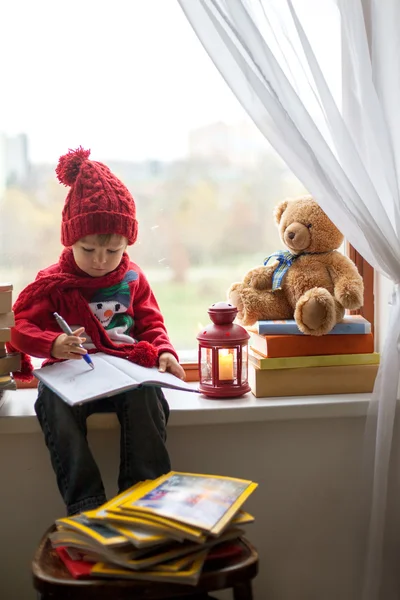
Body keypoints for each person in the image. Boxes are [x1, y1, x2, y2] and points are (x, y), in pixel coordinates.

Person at [10, 146, 185, 516]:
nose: (100, 261)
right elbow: (18, 328)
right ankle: (86, 502)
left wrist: (165, 352)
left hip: (125, 373)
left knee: (148, 396)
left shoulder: (134, 278)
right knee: (50, 402)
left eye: (113, 250)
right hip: (75, 378)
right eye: (88, 249)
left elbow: (152, 323)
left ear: (127, 245)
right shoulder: (53, 284)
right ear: (69, 240)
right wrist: (53, 343)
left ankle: (144, 495)